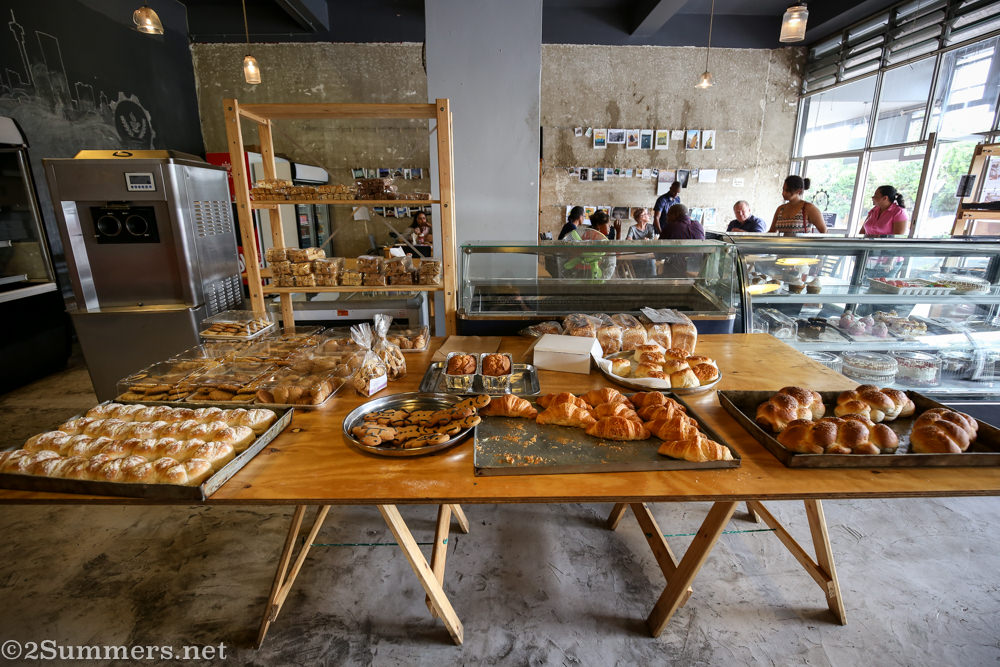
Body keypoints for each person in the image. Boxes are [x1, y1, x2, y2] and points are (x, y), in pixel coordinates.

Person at [624, 208, 656, 278]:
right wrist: (641, 241)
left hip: (649, 256)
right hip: (637, 257)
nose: (648, 215)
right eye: (646, 214)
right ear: (640, 217)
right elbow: (628, 241)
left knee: (652, 278)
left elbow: (653, 240)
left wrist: (648, 240)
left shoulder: (650, 227)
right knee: (639, 278)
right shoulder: (632, 228)